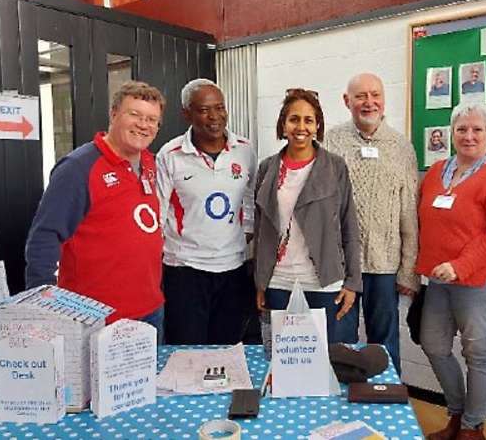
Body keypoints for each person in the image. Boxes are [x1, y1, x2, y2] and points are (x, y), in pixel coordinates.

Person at [416, 103, 486, 440]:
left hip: (482, 281)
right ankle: (458, 413)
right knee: (433, 345)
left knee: (477, 354)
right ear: (451, 132)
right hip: (438, 279)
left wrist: (460, 265)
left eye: (477, 129)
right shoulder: (436, 172)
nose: (469, 136)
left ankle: (471, 428)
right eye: (462, 129)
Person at [25, 81, 165, 337]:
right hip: (94, 317)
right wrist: (42, 303)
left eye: (151, 119)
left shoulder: (149, 162)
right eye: (134, 114)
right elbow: (44, 237)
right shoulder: (78, 168)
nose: (144, 125)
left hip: (149, 309)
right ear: (113, 115)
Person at [325, 73, 419, 374]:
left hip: (385, 266)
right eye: (361, 96)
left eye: (375, 95)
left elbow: (409, 214)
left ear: (383, 99)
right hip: (341, 267)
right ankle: (341, 410)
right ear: (347, 101)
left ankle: (387, 403)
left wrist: (408, 270)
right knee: (339, 342)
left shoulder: (401, 147)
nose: (369, 102)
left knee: (385, 344)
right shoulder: (330, 141)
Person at [253, 89, 362, 343]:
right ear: (283, 124)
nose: (300, 126)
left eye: (308, 120)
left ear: (317, 125)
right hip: (278, 279)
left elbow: (349, 226)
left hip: (322, 281)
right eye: (294, 119)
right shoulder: (267, 168)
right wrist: (260, 281)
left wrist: (353, 282)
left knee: (322, 358)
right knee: (282, 357)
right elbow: (261, 230)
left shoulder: (335, 167)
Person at [156, 78, 256, 345]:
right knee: (187, 348)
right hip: (185, 269)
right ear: (186, 113)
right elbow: (158, 211)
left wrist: (244, 232)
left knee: (227, 348)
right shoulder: (170, 154)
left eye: (220, 108)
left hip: (232, 267)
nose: (215, 117)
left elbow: (250, 197)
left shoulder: (244, 150)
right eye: (204, 110)